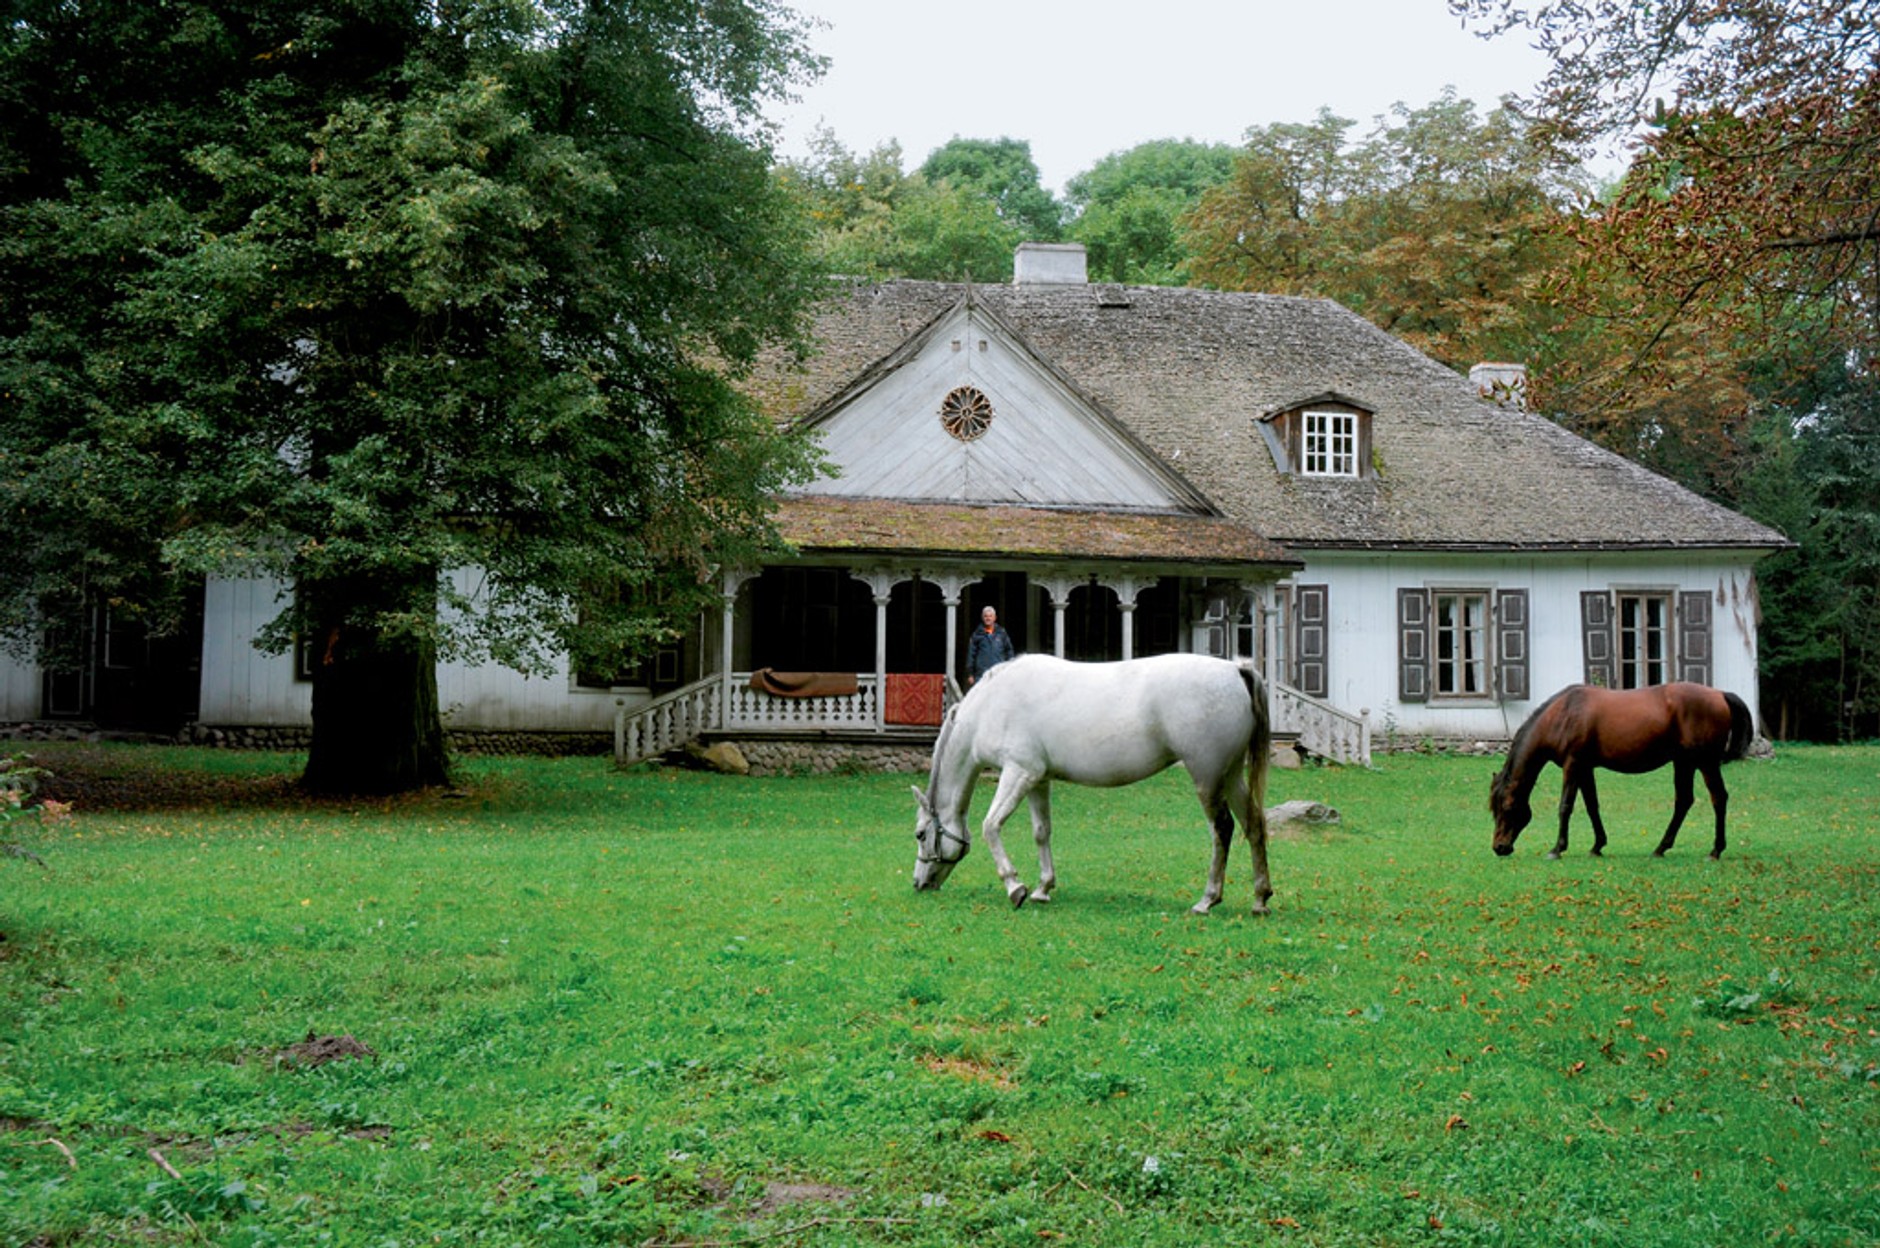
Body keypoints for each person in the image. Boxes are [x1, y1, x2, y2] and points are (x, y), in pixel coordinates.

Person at [966, 605, 1015, 686]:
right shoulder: (977, 635)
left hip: (999, 672)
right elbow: (971, 655)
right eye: (985, 616)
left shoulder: (1002, 633)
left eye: (990, 616)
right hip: (981, 674)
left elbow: (1009, 650)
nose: (988, 618)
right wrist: (970, 674)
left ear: (995, 618)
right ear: (982, 618)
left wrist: (1010, 667)